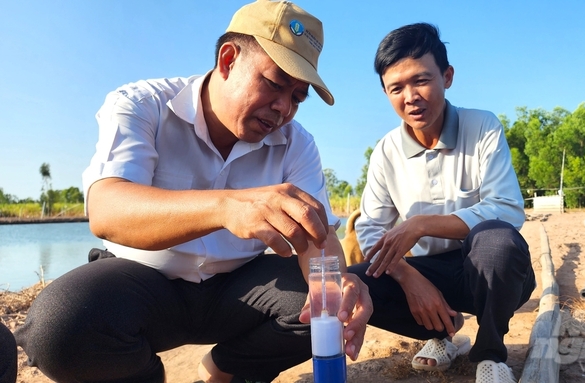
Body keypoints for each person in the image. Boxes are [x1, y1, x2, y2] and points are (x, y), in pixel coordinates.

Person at [14, 1, 372, 382]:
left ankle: (224, 370)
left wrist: (337, 284)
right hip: (144, 284)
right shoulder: (143, 104)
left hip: (238, 291)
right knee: (59, 326)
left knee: (323, 308)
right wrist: (225, 207)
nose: (283, 107)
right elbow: (107, 209)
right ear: (228, 59)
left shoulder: (297, 144)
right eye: (274, 83)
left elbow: (317, 235)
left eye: (297, 98)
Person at [347, 23, 535, 383]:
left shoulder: (482, 127)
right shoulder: (386, 151)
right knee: (356, 283)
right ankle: (443, 334)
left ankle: (491, 351)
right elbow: (370, 227)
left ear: (447, 76)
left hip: (485, 269)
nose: (411, 96)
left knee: (497, 241)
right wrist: (407, 276)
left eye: (421, 80)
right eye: (396, 88)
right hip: (427, 271)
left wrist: (422, 224)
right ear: (385, 92)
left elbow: (508, 208)